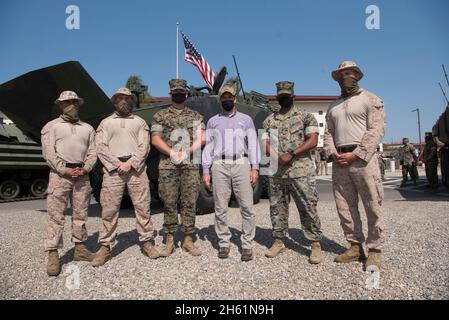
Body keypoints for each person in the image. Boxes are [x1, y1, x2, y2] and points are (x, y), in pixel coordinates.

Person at [324, 61, 386, 269]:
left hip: (363, 160)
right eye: (341, 75)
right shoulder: (333, 106)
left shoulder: (370, 99)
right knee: (344, 206)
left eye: (348, 73)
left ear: (357, 75)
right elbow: (328, 133)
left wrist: (356, 154)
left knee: (372, 204)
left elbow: (376, 129)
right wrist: (333, 153)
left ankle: (375, 249)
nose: (345, 77)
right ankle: (354, 246)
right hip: (340, 160)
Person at [92, 88, 158, 267]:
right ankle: (105, 246)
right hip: (113, 171)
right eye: (120, 98)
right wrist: (116, 164)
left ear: (133, 101)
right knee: (109, 209)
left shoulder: (140, 122)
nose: (124, 101)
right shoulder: (105, 123)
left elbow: (144, 146)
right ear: (115, 101)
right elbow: (100, 146)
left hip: (136, 170)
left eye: (128, 98)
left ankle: (146, 241)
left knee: (143, 207)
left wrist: (131, 163)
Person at [262, 81, 323, 264]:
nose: (284, 98)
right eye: (281, 96)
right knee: (277, 207)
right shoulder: (269, 120)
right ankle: (279, 240)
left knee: (307, 206)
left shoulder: (305, 117)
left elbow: (312, 140)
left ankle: (314, 244)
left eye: (286, 96)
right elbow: (264, 143)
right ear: (277, 97)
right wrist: (277, 156)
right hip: (277, 171)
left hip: (301, 170)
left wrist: (291, 154)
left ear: (293, 96)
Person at [41, 91, 97, 276]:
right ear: (60, 104)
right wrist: (64, 169)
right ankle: (53, 254)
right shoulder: (51, 127)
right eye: (67, 102)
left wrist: (86, 168)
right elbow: (49, 153)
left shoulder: (87, 128)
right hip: (60, 175)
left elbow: (93, 151)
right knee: (56, 216)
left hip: (82, 175)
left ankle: (80, 249)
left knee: (80, 214)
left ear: (79, 104)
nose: (71, 105)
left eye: (74, 102)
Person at [202, 84, 260, 262]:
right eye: (223, 98)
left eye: (230, 97)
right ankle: (224, 243)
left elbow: (253, 143)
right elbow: (209, 147)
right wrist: (206, 169)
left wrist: (255, 167)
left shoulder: (246, 119)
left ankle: (247, 245)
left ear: (235, 99)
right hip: (219, 165)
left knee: (247, 207)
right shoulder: (213, 121)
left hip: (241, 163)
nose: (227, 100)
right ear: (220, 100)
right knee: (220, 207)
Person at [151, 79, 205, 257]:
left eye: (181, 92)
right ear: (170, 94)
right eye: (175, 92)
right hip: (168, 165)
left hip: (189, 164)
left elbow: (201, 138)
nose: (179, 94)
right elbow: (155, 138)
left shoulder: (196, 116)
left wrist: (187, 152)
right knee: (169, 201)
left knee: (190, 201)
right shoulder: (160, 115)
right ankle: (170, 239)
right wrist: (172, 152)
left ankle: (188, 238)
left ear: (187, 94)